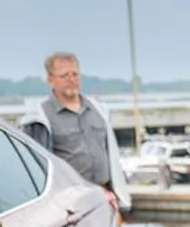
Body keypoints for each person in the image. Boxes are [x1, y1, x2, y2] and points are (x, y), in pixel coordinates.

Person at [21, 52, 132, 210]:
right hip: (69, 206)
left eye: (75, 74)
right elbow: (37, 167)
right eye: (64, 75)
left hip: (105, 198)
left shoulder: (98, 109)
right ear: (50, 79)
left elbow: (111, 155)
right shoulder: (39, 118)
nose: (71, 80)